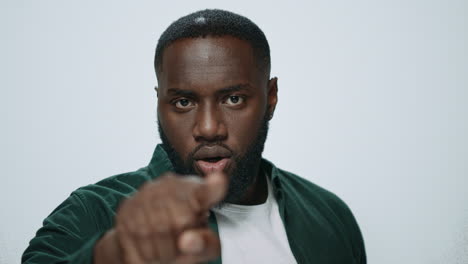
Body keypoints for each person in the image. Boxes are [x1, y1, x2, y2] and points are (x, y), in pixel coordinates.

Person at [22, 9, 366, 264]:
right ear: (159, 102)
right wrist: (112, 254)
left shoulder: (329, 214)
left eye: (234, 99)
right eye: (183, 102)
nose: (208, 128)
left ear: (270, 97)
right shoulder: (93, 210)